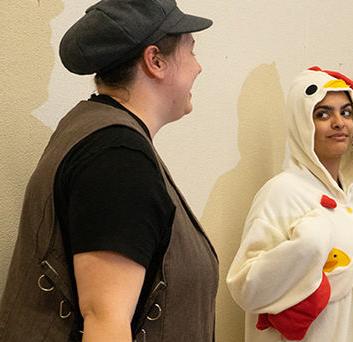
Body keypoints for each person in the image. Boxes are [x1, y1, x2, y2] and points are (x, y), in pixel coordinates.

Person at [0, 1, 217, 341]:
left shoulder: (98, 134)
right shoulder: (116, 159)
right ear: (155, 61)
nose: (198, 67)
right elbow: (105, 321)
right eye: (191, 50)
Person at [226, 66, 353, 341]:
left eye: (346, 112)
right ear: (302, 124)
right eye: (323, 114)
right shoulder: (281, 192)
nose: (339, 122)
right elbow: (246, 288)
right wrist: (305, 249)